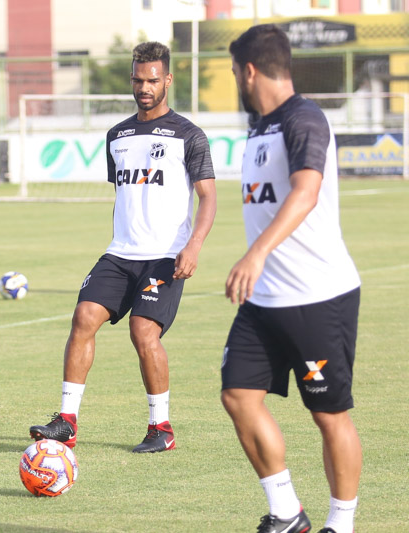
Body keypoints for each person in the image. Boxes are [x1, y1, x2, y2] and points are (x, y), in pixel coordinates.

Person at [29, 41, 216, 453]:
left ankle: (161, 428)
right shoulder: (117, 135)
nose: (144, 87)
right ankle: (66, 421)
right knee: (83, 317)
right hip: (120, 252)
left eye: (152, 80)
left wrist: (194, 246)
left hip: (166, 254)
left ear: (167, 80)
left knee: (142, 331)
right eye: (137, 79)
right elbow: (126, 195)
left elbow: (208, 197)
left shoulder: (189, 135)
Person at [222, 25, 362, 533]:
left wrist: (256, 253)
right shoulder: (258, 125)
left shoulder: (304, 118)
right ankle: (287, 513)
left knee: (328, 415)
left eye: (234, 72)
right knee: (238, 394)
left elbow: (306, 191)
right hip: (264, 300)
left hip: (317, 295)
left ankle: (340, 525)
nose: (235, 80)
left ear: (249, 71)